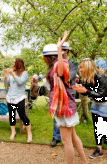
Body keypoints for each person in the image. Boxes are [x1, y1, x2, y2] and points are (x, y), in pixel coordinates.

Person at [42, 31, 88, 164]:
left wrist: (58, 49)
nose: (43, 59)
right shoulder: (55, 64)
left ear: (48, 57)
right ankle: (85, 162)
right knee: (73, 137)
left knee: (67, 141)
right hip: (65, 105)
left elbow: (61, 72)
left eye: (44, 57)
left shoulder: (58, 65)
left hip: (63, 106)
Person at [73, 58, 107, 161]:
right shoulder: (87, 78)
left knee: (103, 128)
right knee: (96, 127)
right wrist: (80, 89)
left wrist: (86, 91)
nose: (80, 70)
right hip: (97, 102)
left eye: (81, 67)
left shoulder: (101, 77)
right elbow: (87, 92)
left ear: (88, 67)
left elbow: (101, 95)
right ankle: (99, 148)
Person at [51, 42, 78, 147]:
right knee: (57, 115)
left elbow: (68, 78)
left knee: (68, 116)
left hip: (69, 93)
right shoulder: (57, 62)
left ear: (66, 50)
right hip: (59, 93)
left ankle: (68, 138)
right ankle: (56, 137)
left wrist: (59, 75)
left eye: (61, 50)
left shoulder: (73, 62)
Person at [4, 58, 32, 143]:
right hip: (10, 97)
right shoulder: (12, 72)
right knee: (11, 116)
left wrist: (12, 74)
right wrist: (6, 76)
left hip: (19, 97)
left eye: (14, 62)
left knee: (22, 115)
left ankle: (29, 133)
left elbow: (20, 82)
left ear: (18, 63)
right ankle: (13, 132)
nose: (12, 64)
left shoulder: (24, 73)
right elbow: (6, 83)